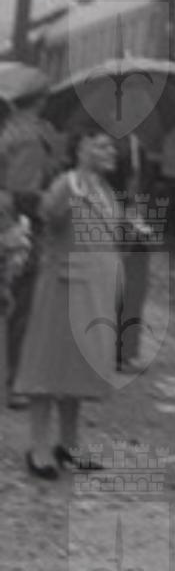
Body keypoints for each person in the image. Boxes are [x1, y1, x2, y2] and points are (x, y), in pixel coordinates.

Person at [15, 128, 126, 478]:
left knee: (78, 369)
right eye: (102, 145)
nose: (112, 152)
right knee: (48, 367)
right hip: (63, 290)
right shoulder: (68, 183)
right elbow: (49, 215)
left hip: (94, 292)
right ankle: (39, 448)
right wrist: (70, 191)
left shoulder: (105, 190)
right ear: (82, 147)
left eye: (112, 146)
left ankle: (68, 444)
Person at [0, 91, 63, 402]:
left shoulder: (13, 135)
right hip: (15, 229)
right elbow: (21, 193)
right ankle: (17, 383)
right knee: (21, 305)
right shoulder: (29, 137)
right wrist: (50, 200)